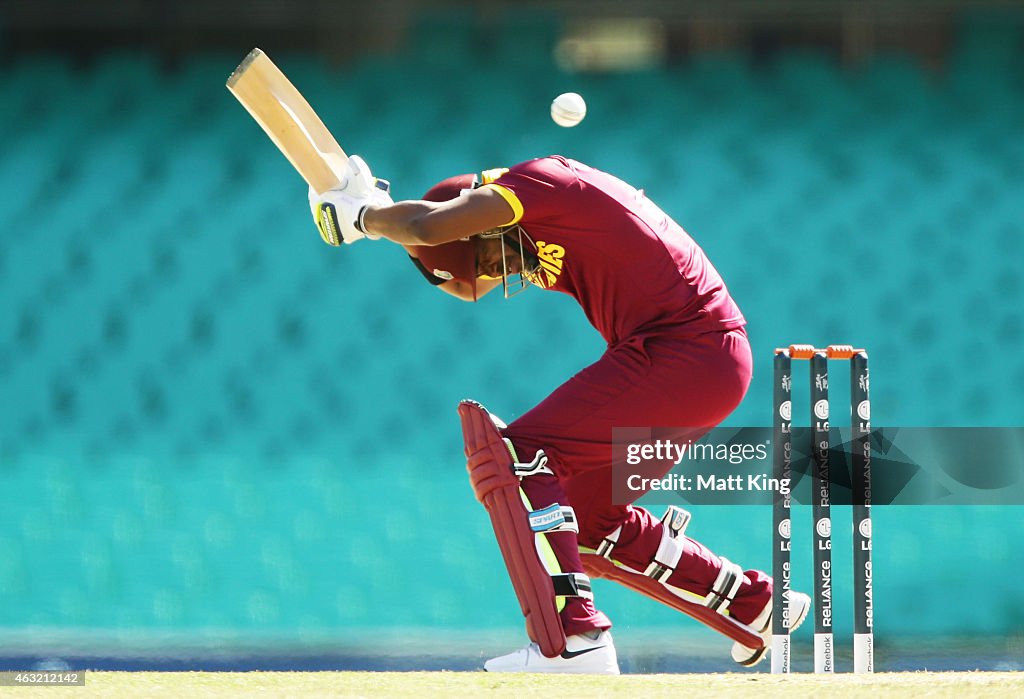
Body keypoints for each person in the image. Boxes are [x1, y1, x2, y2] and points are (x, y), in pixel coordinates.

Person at [308, 154, 810, 674]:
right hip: (705, 363)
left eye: (492, 260)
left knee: (519, 457)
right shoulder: (539, 229)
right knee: (588, 524)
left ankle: (575, 640)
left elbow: (429, 227)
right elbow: (444, 260)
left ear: (479, 224)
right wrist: (383, 215)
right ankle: (753, 607)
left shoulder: (539, 182)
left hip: (685, 352)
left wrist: (367, 218)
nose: (503, 272)